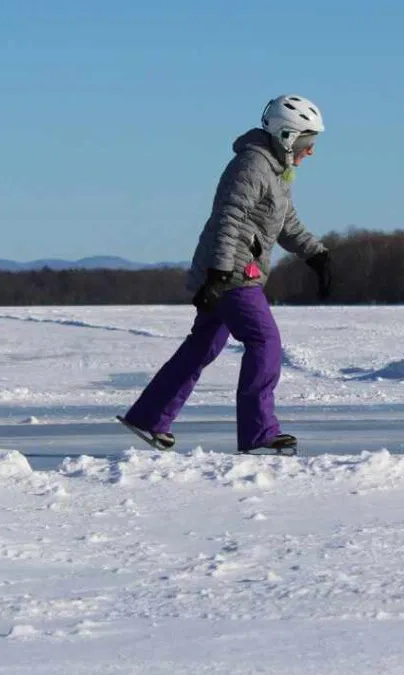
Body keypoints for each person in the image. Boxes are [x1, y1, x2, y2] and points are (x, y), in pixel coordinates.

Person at [118, 95, 332, 456]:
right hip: (231, 272)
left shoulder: (277, 171)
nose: (311, 152)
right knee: (265, 341)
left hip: (230, 271)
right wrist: (217, 274)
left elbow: (286, 221)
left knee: (203, 346)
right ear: (286, 137)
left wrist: (317, 254)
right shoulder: (252, 166)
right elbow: (228, 217)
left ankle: (149, 418)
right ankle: (259, 432)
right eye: (307, 143)